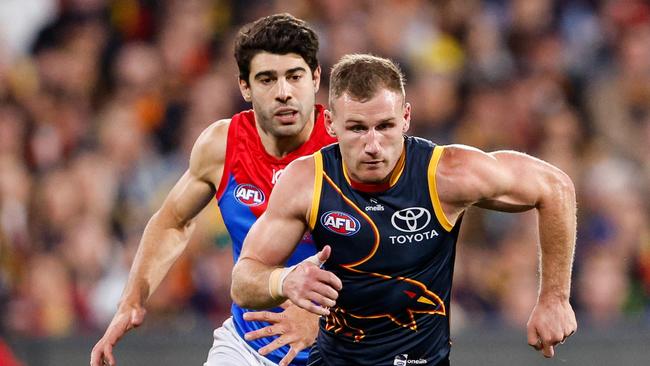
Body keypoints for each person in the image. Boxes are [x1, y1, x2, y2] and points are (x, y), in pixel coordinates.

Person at [231, 54, 578, 366]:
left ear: (406, 117)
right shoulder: (308, 181)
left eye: (385, 126)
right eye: (356, 129)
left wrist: (555, 298)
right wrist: (284, 280)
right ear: (330, 124)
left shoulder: (446, 175)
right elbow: (244, 281)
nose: (372, 145)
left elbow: (555, 187)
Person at [90, 14, 336, 366]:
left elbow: (393, 256)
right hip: (248, 346)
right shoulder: (222, 145)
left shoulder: (347, 148)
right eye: (267, 79)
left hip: (338, 347)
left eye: (294, 77)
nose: (283, 92)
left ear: (315, 78)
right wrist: (131, 299)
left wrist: (321, 318)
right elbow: (172, 221)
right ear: (245, 87)